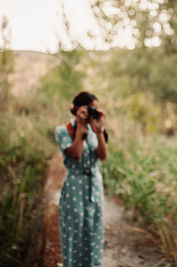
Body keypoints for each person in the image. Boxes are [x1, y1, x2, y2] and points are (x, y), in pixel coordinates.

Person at [55, 91, 108, 267]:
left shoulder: (96, 129)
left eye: (97, 109)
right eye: (92, 108)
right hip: (75, 184)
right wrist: (80, 128)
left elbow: (103, 156)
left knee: (94, 229)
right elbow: (76, 154)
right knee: (74, 231)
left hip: (94, 184)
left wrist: (99, 131)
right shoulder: (64, 130)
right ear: (79, 108)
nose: (95, 112)